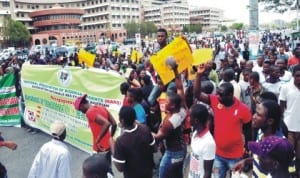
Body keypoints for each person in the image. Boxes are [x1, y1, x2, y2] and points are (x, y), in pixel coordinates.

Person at [193, 64, 251, 178]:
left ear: (230, 95)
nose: (218, 96)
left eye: (221, 94)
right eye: (218, 93)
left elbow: (248, 129)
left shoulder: (243, 109)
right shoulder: (215, 101)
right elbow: (197, 94)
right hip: (218, 154)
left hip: (236, 156)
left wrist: (247, 150)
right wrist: (198, 75)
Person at [153, 57, 188, 178]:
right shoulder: (183, 109)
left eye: (166, 101)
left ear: (172, 105)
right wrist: (175, 70)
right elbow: (179, 87)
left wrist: (138, 127)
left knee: (162, 175)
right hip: (182, 150)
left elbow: (157, 137)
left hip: (173, 153)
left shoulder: (169, 122)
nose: (164, 102)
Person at [111, 106, 155, 178]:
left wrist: (113, 146)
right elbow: (155, 149)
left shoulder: (120, 141)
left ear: (122, 121)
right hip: (148, 173)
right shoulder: (145, 130)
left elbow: (120, 168)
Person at [279, 64, 300, 177]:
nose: (299, 78)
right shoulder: (286, 87)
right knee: (289, 153)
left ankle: (297, 172)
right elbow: (281, 107)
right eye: (297, 76)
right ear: (293, 75)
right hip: (289, 127)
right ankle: (289, 173)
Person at [189, 104, 216, 178]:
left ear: (196, 120)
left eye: (190, 116)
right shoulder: (195, 133)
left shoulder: (208, 143)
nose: (188, 119)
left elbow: (207, 173)